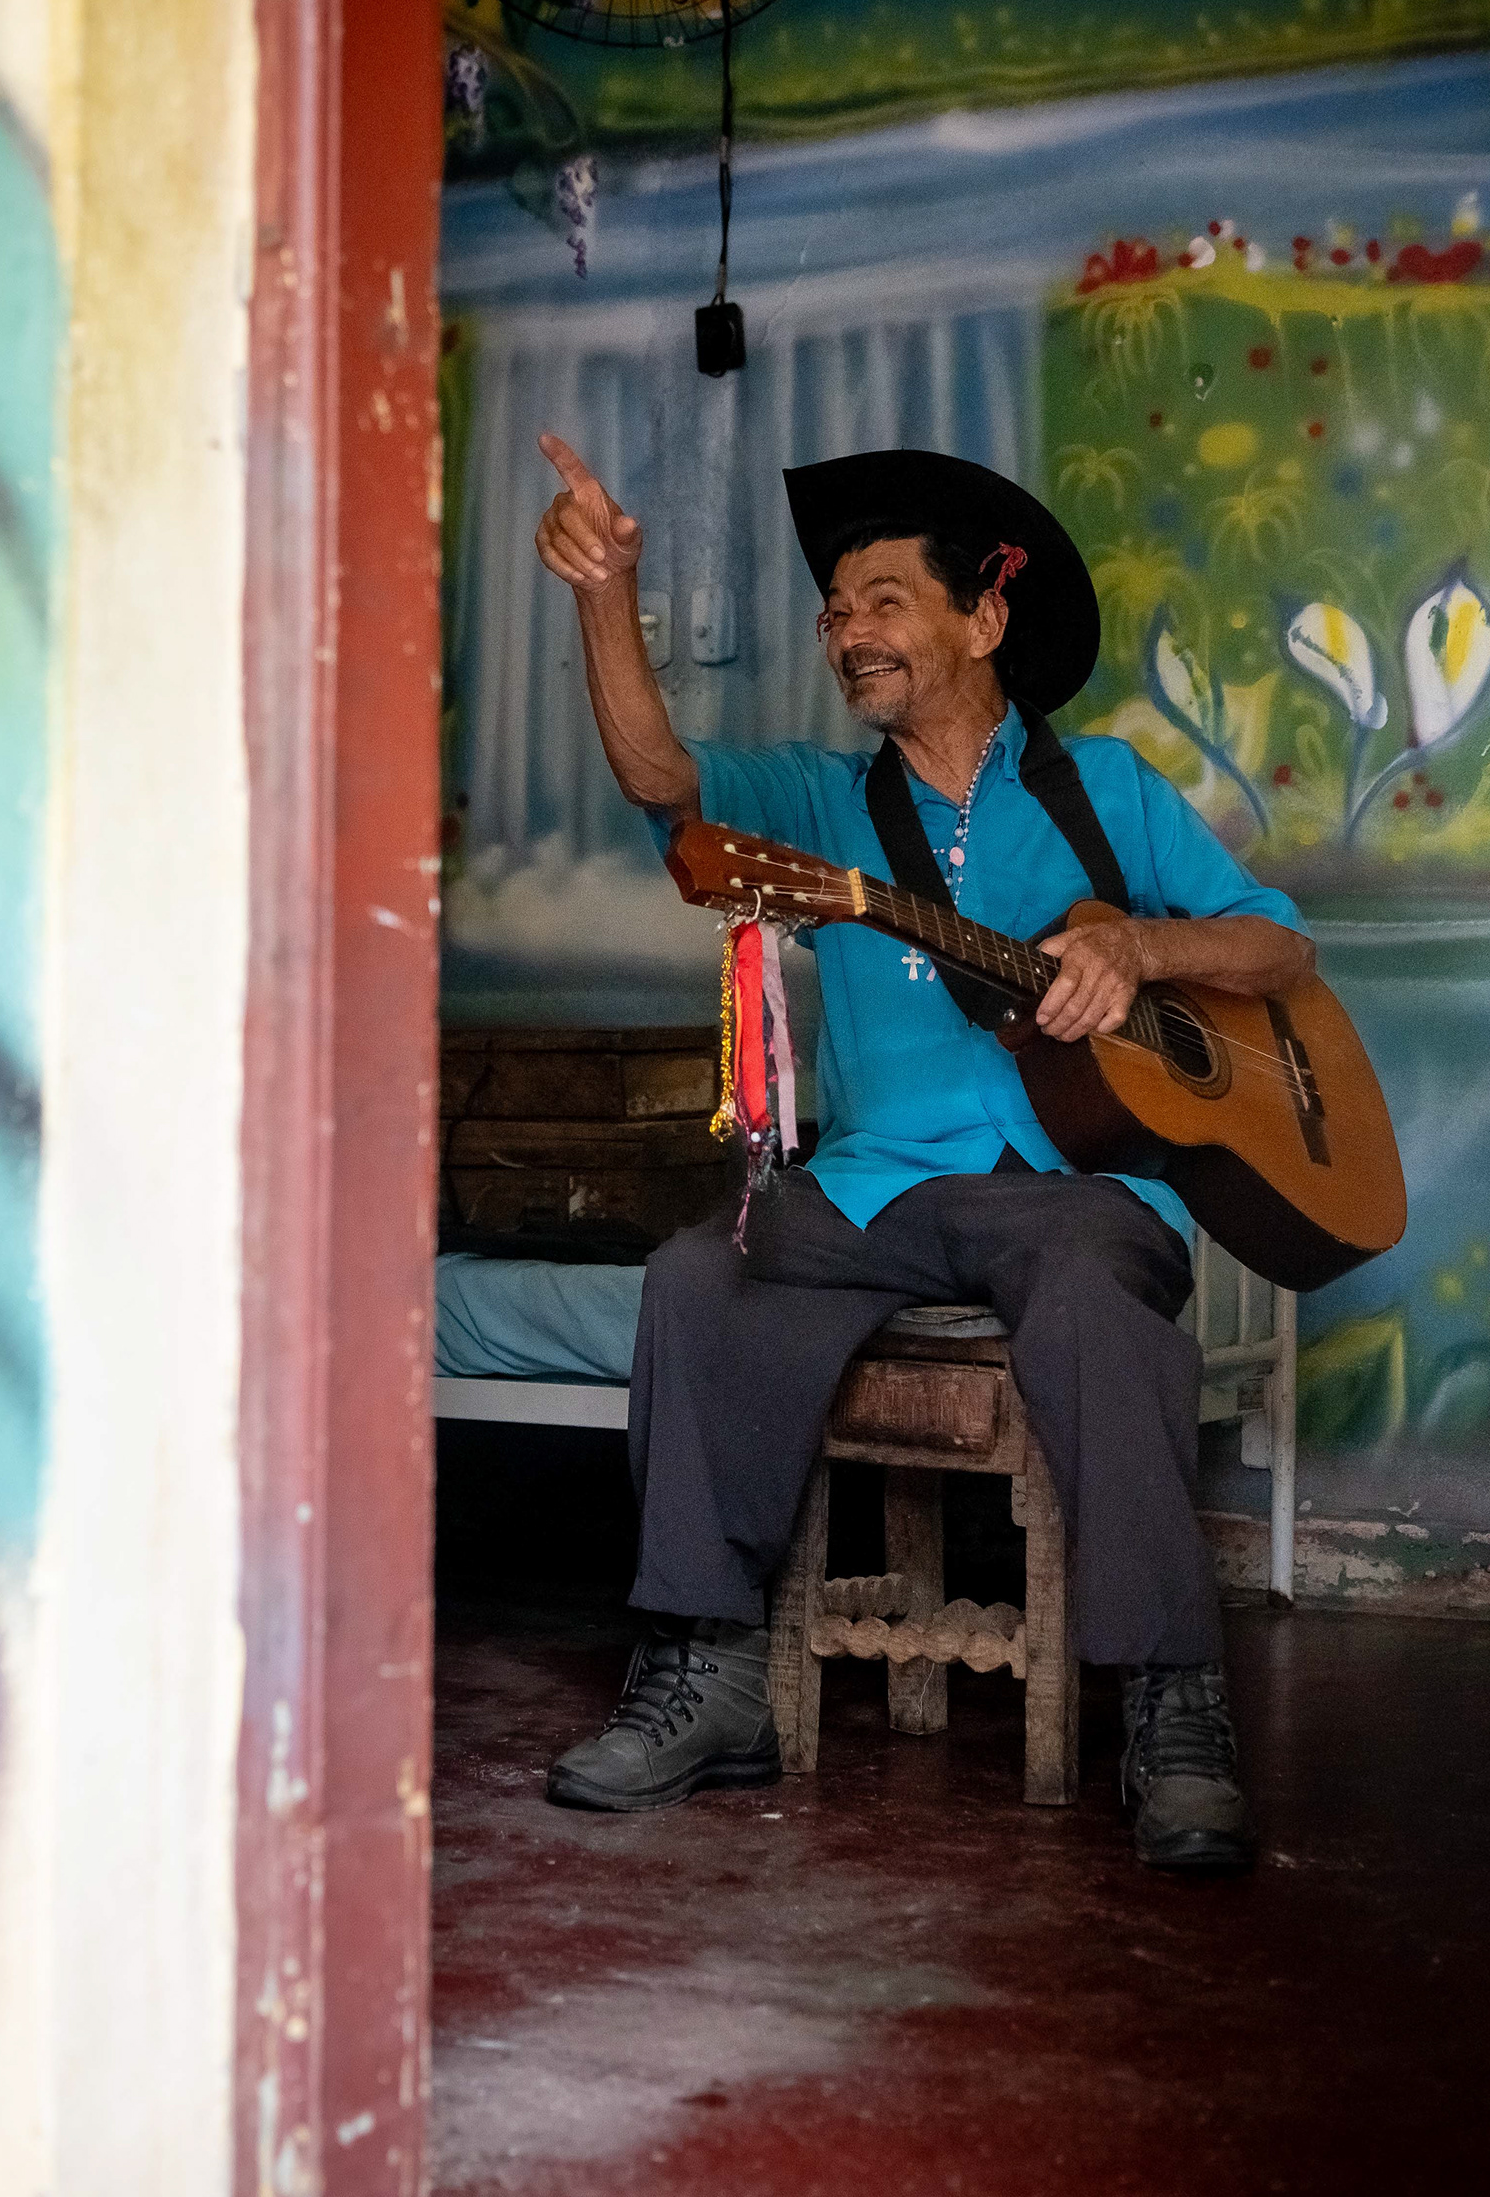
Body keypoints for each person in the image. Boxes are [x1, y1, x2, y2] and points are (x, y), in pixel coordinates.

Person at [530, 434, 1318, 1873]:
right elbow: (661, 773)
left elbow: (1275, 944)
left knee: (1093, 1287)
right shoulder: (821, 807)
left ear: (983, 618)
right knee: (700, 1278)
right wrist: (606, 595)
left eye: (884, 599)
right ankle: (711, 1679)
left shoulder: (1111, 795)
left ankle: (1172, 1701)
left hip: (1076, 1192)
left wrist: (1139, 945)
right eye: (836, 610)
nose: (847, 632)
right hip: (873, 1191)